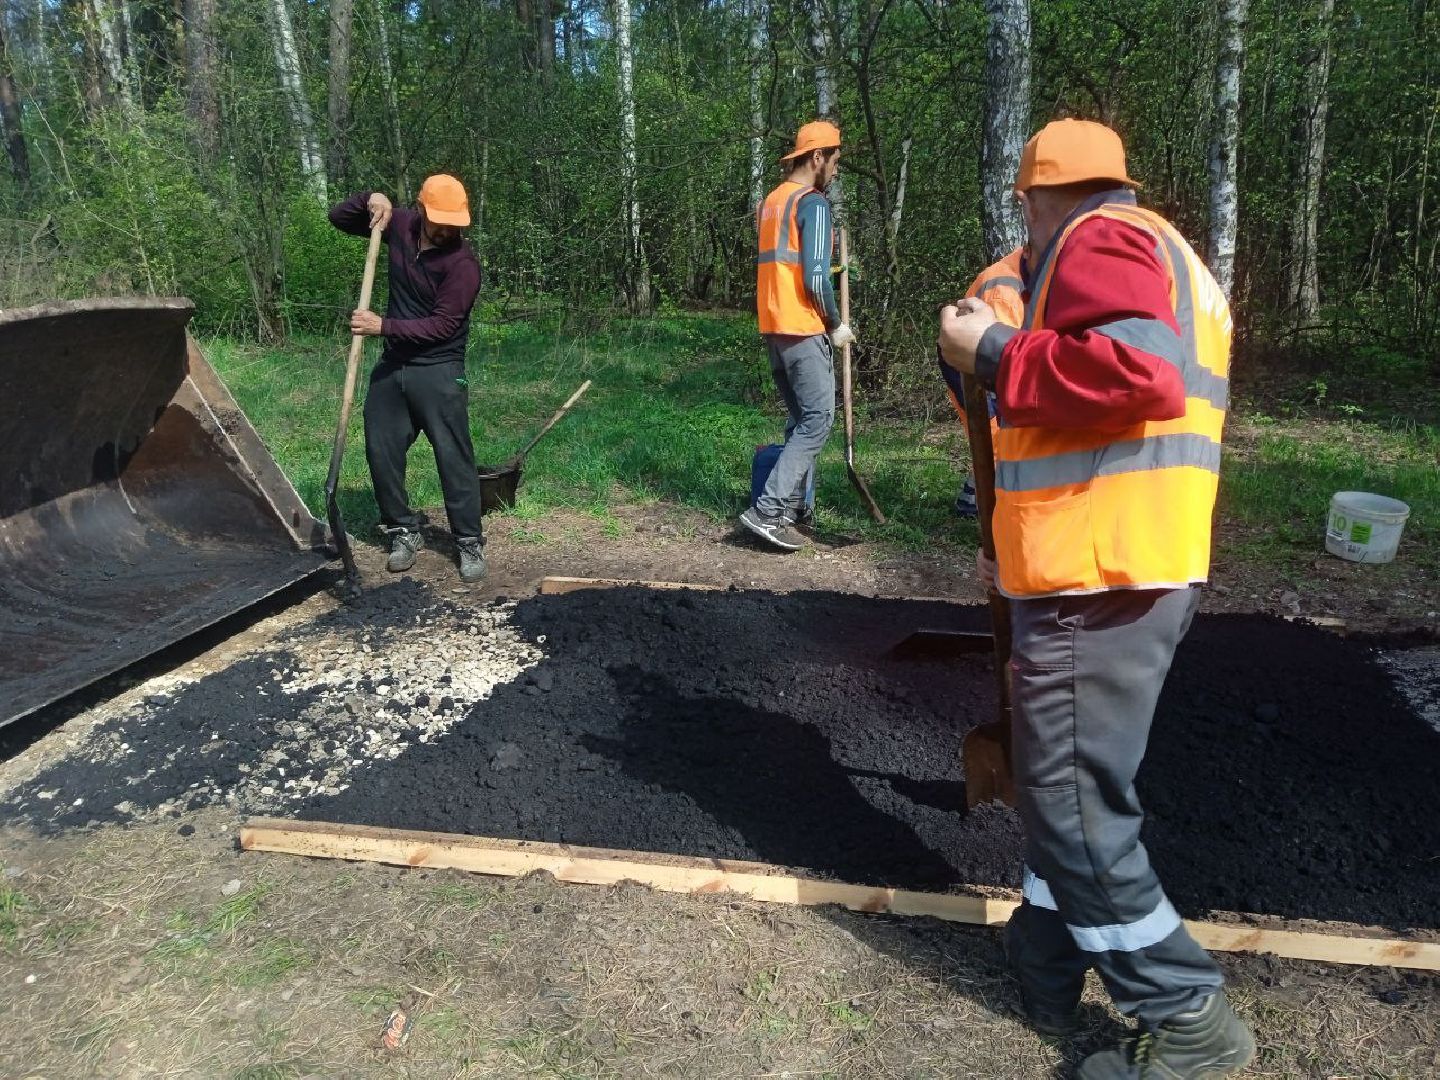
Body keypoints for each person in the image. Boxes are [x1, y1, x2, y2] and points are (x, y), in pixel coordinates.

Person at [938, 119, 1253, 1079]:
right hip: (1129, 561)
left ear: (1035, 197)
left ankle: (1188, 1018)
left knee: (1073, 807)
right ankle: (1044, 958)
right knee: (1067, 790)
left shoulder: (1097, 239)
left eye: (1024, 209)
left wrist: (989, 347)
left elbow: (1135, 375)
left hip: (1096, 572)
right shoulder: (1172, 254)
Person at [329, 174, 487, 583]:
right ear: (420, 209)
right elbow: (337, 218)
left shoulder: (463, 266)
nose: (448, 229)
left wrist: (383, 326)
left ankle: (469, 539)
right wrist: (370, 198)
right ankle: (402, 530)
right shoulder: (399, 225)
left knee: (453, 456)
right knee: (381, 449)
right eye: (440, 220)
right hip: (393, 366)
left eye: (455, 222)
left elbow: (443, 327)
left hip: (439, 370)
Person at [741, 120, 852, 552]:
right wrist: (835, 323)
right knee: (817, 421)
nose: (837, 170)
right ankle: (767, 511)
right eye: (836, 161)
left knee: (800, 420)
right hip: (803, 327)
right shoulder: (813, 203)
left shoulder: (771, 202)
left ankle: (788, 508)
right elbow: (816, 277)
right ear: (817, 157)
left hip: (773, 327)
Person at [940, 249, 1025, 517]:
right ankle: (982, 506)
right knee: (999, 439)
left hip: (981, 363)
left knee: (999, 441)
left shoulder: (1035, 272)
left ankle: (974, 500)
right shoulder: (1004, 287)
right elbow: (1000, 358)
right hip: (973, 368)